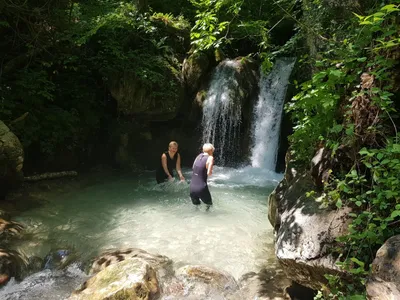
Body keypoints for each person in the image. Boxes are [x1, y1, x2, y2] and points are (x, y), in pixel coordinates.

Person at [189, 143, 215, 209]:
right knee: (209, 206)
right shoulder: (210, 158)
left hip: (192, 187)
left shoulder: (198, 156)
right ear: (211, 150)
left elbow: (193, 168)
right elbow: (209, 173)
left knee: (196, 207)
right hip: (201, 187)